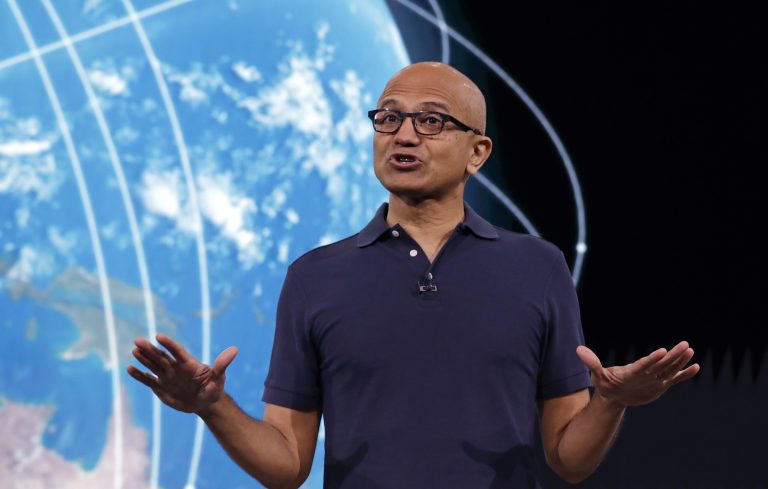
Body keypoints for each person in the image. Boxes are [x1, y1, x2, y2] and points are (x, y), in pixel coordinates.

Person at [128, 62, 700, 488]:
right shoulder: (314, 277)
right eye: (389, 118)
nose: (403, 135)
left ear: (477, 153)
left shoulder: (537, 266)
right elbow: (287, 466)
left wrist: (610, 403)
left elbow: (569, 460)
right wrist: (213, 407)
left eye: (430, 121)